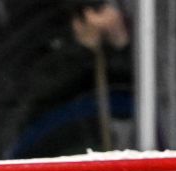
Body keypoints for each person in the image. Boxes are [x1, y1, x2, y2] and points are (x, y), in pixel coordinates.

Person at [7, 0, 135, 157]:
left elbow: (136, 93)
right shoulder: (36, 24)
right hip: (54, 148)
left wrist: (120, 44)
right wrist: (83, 49)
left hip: (114, 147)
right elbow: (33, 92)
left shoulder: (123, 24)